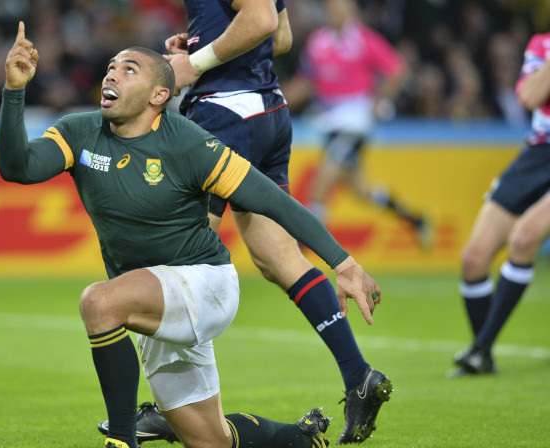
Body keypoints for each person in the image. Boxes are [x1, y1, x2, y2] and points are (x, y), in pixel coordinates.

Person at [0, 22, 383, 448]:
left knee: (99, 302)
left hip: (205, 283)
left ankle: (122, 441)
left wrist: (343, 263)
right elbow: (19, 168)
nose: (111, 74)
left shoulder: (188, 143)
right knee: (209, 440)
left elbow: (274, 202)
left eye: (129, 70)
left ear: (158, 96)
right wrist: (14, 91)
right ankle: (300, 437)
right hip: (151, 297)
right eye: (110, 67)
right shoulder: (79, 132)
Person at [99, 0, 392, 444]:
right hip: (266, 109)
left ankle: (172, 408)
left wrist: (193, 64)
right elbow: (282, 36)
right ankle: (358, 375)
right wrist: (202, 42)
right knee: (278, 259)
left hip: (226, 111)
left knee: (181, 258)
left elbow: (261, 21)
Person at [283, 0, 431, 250]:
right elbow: (306, 81)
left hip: (355, 123)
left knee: (321, 183)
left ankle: (306, 252)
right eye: (332, 9)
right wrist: (278, 100)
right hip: (329, 123)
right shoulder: (317, 42)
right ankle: (415, 220)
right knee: (360, 191)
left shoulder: (364, 40)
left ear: (352, 12)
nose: (336, 13)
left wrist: (380, 100)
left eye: (341, 8)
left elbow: (397, 70)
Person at [451, 31, 550, 377]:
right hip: (538, 153)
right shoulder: (541, 44)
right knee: (474, 258)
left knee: (524, 240)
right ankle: (484, 353)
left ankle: (480, 350)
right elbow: (528, 97)